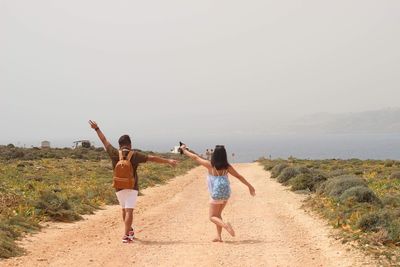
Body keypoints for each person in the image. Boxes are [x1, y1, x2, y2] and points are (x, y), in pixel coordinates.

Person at [89, 120, 178, 243]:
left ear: (119, 145)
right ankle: (126, 235)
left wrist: (97, 128)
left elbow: (104, 140)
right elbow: (152, 158)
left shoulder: (114, 153)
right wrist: (168, 161)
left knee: (124, 210)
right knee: (129, 211)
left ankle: (129, 230)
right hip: (132, 186)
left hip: (118, 186)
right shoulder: (134, 155)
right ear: (129, 144)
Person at [180, 143, 255, 242]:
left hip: (215, 195)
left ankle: (226, 226)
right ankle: (219, 237)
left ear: (214, 154)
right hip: (225, 194)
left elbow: (195, 157)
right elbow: (239, 176)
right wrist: (250, 186)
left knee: (212, 217)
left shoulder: (210, 165)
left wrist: (184, 150)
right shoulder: (227, 167)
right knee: (218, 215)